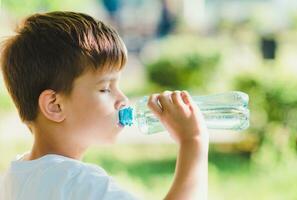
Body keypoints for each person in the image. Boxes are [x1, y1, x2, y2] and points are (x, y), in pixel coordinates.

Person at [0, 11, 209, 200]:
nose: (123, 100)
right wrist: (193, 141)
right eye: (106, 89)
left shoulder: (13, 178)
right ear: (55, 105)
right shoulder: (82, 184)